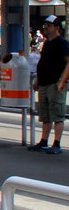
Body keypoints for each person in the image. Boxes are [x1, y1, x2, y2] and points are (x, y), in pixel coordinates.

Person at [27, 15, 69, 154]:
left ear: (57, 27)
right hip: (44, 82)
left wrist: (62, 81)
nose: (46, 27)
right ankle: (44, 141)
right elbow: (42, 62)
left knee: (57, 113)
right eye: (45, 25)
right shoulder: (47, 43)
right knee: (45, 114)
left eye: (49, 25)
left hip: (55, 83)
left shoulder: (62, 43)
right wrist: (38, 80)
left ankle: (56, 143)